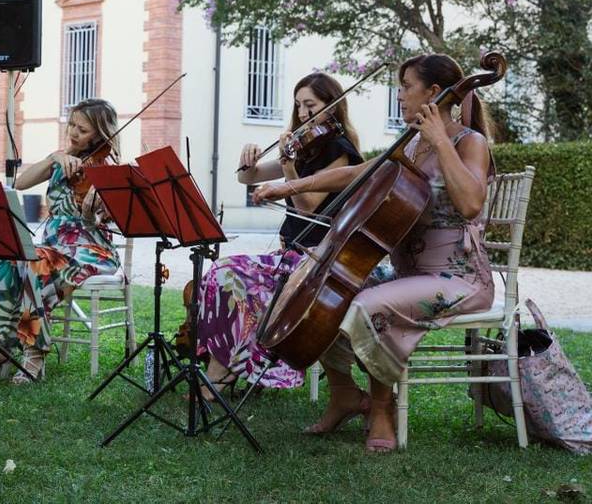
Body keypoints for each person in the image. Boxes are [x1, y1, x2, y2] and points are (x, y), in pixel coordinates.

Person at [253, 54, 495, 452]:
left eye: (406, 86)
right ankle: (344, 395)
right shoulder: (411, 144)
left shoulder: (470, 142)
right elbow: (355, 173)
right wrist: (288, 187)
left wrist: (439, 141)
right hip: (407, 276)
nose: (399, 95)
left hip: (458, 280)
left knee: (368, 304)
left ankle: (382, 408)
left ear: (434, 93)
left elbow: (470, 203)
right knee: (325, 296)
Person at [196, 73, 363, 397]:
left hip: (314, 261)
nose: (302, 114)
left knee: (227, 274)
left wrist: (288, 168)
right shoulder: (307, 149)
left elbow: (308, 207)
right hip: (290, 257)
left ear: (332, 106)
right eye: (298, 105)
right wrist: (247, 161)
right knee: (218, 275)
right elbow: (250, 178)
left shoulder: (340, 151)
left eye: (310, 105)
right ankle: (225, 369)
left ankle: (223, 375)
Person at [0, 98, 121, 384]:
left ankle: (34, 352)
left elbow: (111, 218)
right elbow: (20, 183)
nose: (75, 133)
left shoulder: (106, 169)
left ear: (101, 135)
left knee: (36, 261)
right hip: (54, 247)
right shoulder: (62, 161)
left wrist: (97, 209)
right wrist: (54, 157)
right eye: (73, 126)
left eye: (84, 130)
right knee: (11, 256)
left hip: (91, 250)